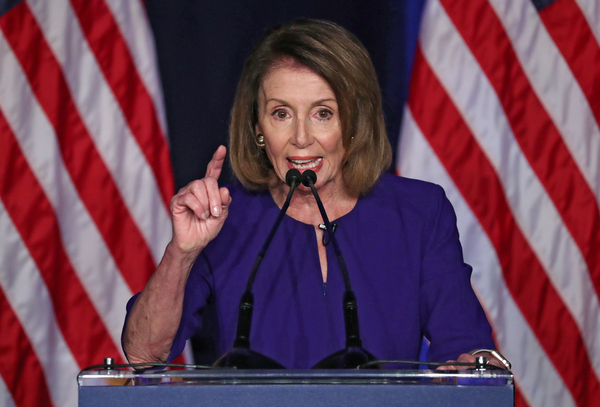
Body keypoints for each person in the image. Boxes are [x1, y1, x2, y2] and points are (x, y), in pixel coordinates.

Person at [122, 19, 505, 370]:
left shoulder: (418, 212)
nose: (301, 138)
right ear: (258, 127)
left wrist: (477, 366)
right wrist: (182, 253)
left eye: (323, 113)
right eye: (281, 114)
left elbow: (465, 348)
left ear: (354, 123)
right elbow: (144, 353)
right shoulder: (225, 217)